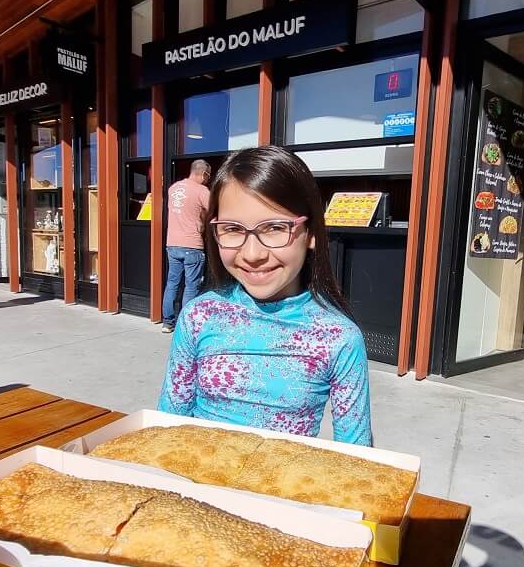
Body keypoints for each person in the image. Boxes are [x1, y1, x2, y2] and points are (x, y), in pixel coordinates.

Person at [158, 146, 372, 446]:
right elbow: (167, 427)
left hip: (283, 490)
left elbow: (356, 460)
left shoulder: (338, 338)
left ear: (310, 231)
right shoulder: (199, 316)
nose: (253, 254)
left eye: (274, 227)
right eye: (232, 228)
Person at [161, 159, 210, 333]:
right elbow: (213, 213)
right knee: (191, 286)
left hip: (172, 244)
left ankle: (168, 323)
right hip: (192, 245)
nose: (207, 179)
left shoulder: (173, 189)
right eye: (208, 176)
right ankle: (185, 326)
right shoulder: (201, 191)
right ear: (203, 173)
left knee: (172, 283)